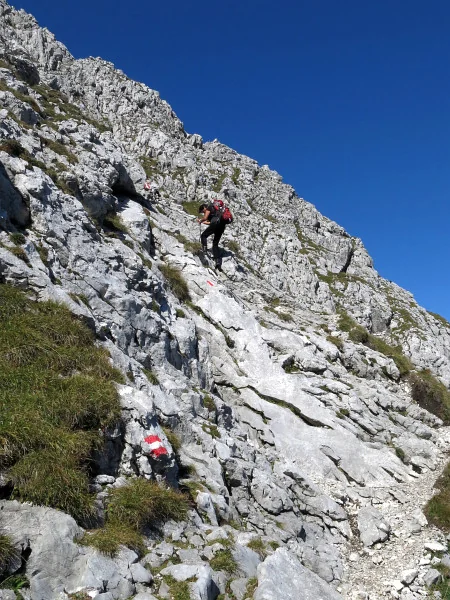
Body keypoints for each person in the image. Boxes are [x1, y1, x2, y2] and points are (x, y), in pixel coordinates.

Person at [197, 202, 227, 271]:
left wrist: (201, 220)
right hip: (221, 227)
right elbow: (210, 222)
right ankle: (218, 263)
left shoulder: (209, 207)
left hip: (215, 224)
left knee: (203, 235)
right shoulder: (216, 212)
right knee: (215, 244)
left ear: (204, 207)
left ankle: (204, 251)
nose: (203, 212)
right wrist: (203, 222)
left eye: (202, 211)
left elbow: (205, 218)